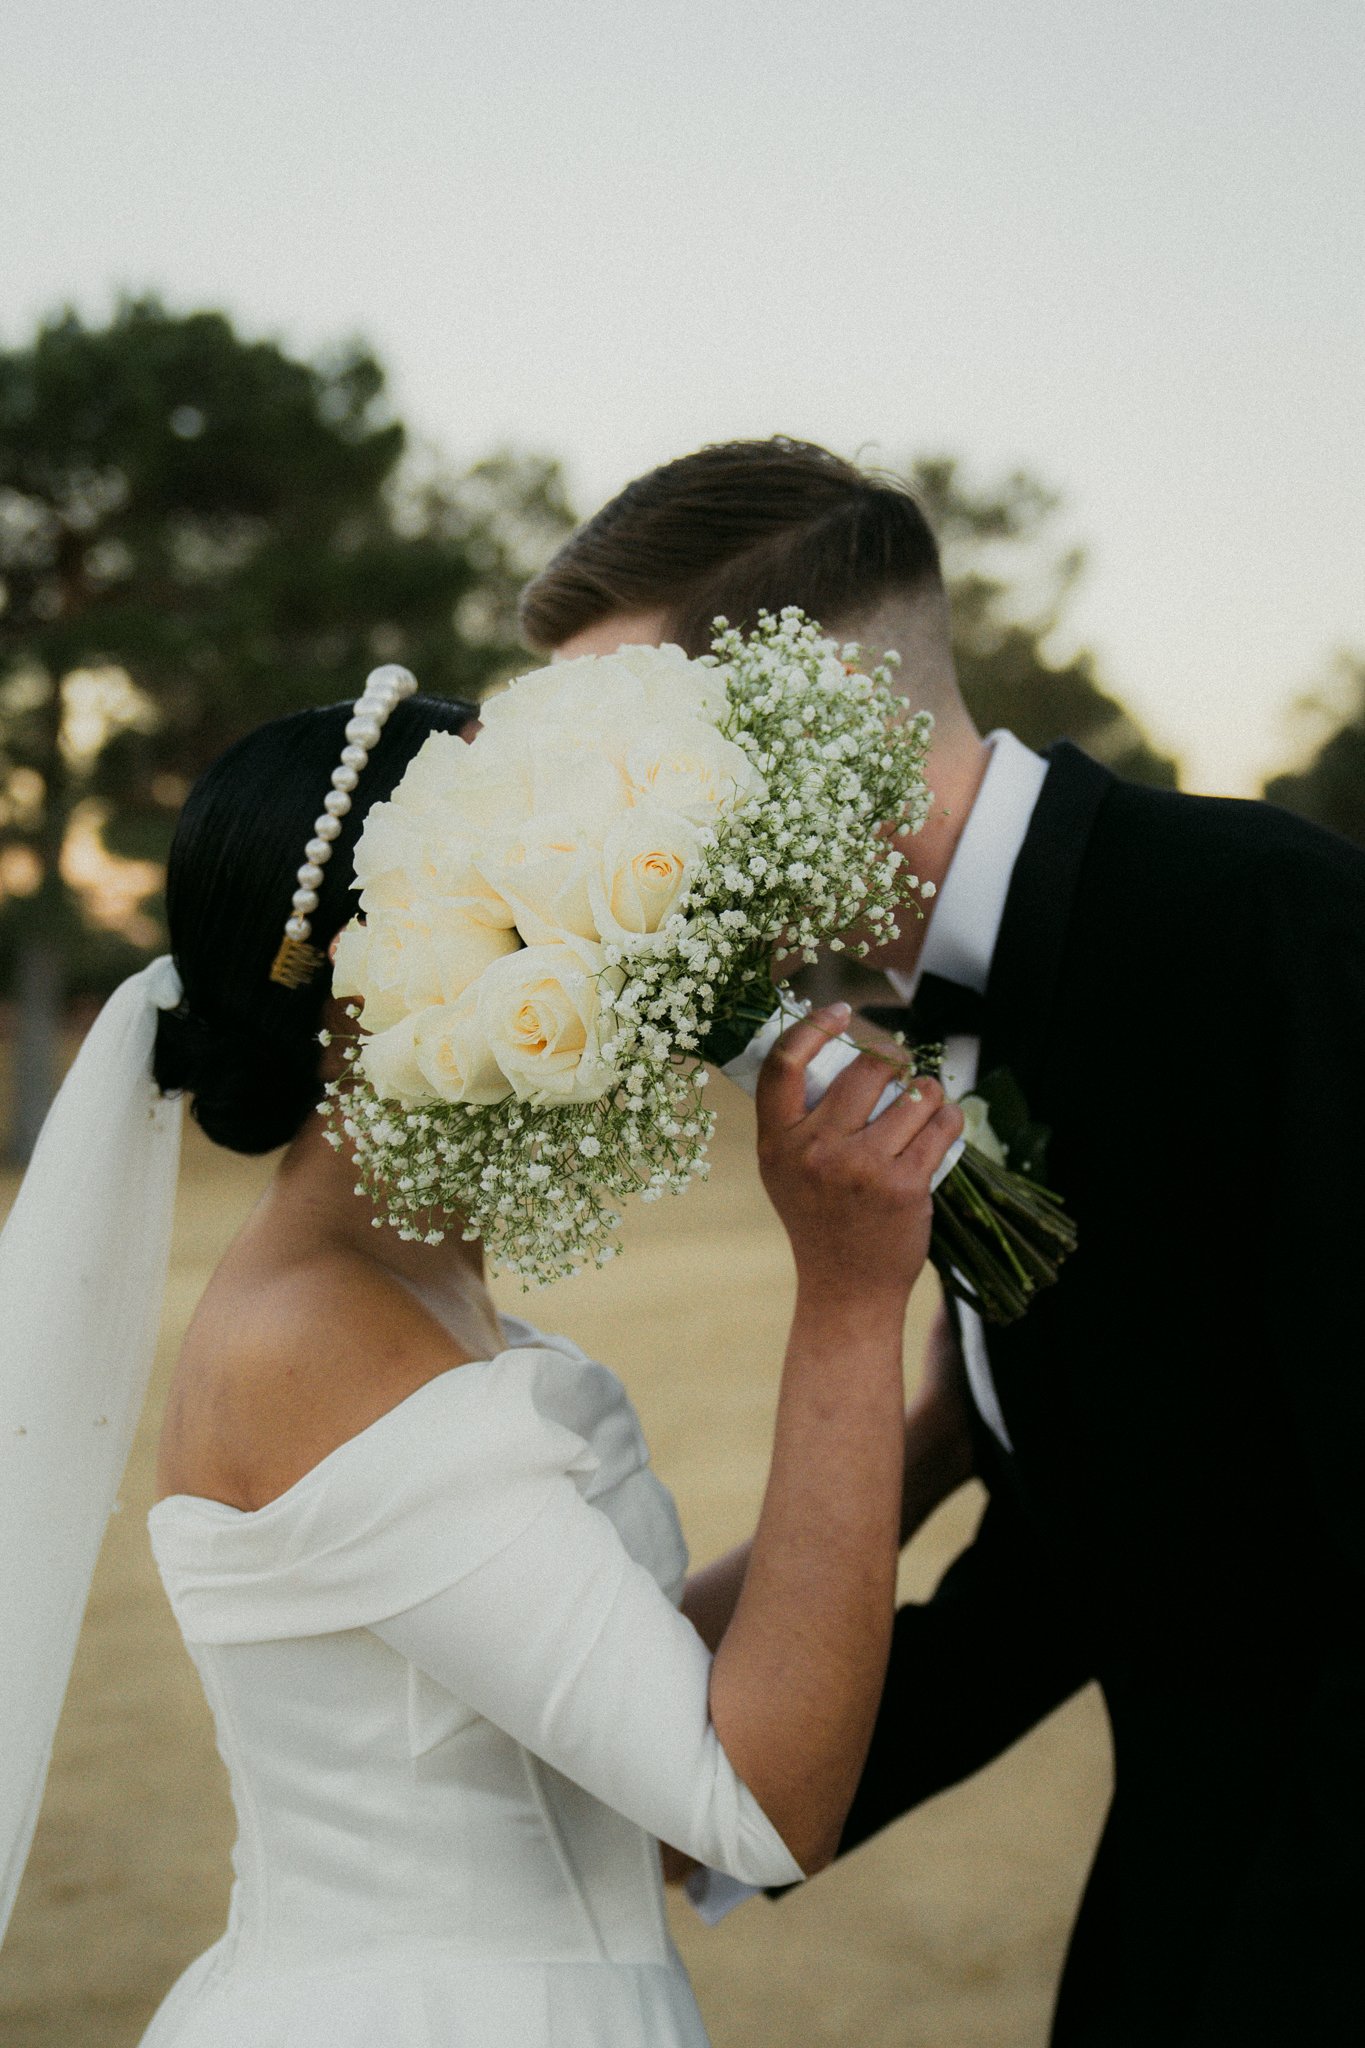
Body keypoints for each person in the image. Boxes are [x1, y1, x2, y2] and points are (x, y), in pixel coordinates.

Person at [518, 438, 1365, 2046]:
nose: (593, 823)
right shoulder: (916, 1033)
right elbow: (1089, 1556)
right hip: (1177, 1919)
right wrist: (709, 1805)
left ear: (812, 727)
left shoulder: (1275, 936)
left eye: (622, 755)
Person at [0, 674, 967, 2048]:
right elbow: (755, 1807)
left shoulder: (412, 1295)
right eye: (536, 890)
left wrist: (933, 1441)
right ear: (375, 965)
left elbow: (635, 1709)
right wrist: (849, 1302)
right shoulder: (311, 1340)